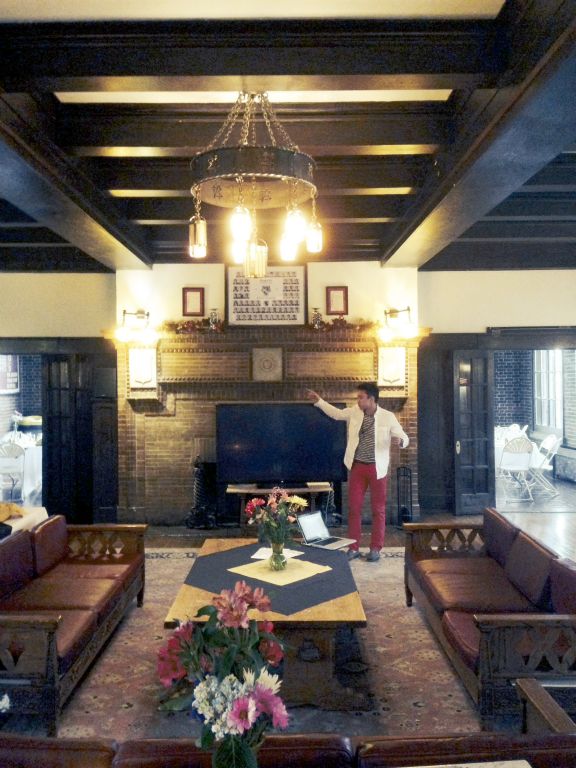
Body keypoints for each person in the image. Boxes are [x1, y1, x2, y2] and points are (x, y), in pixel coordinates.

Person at [306, 383, 409, 562]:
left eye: (361, 397)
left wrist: (400, 442)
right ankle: (353, 548)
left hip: (377, 469)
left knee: (378, 510)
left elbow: (404, 436)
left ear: (371, 399)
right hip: (357, 467)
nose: (358, 400)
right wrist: (319, 401)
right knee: (354, 508)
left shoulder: (388, 417)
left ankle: (375, 548)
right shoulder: (355, 412)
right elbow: (337, 414)